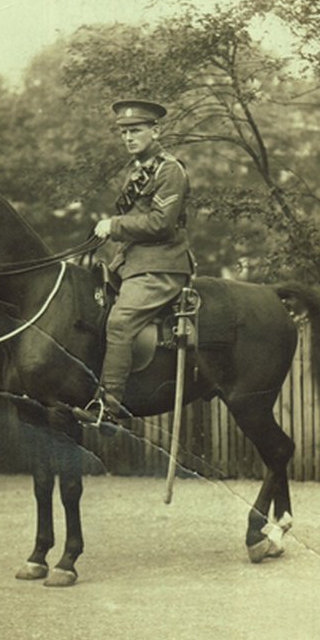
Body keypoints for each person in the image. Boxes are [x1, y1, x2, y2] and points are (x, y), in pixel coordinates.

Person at [76, 99, 194, 427]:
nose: (128, 137)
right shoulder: (138, 170)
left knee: (119, 322)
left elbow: (161, 224)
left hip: (161, 267)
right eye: (124, 132)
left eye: (136, 131)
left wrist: (114, 225)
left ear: (156, 131)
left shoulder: (169, 170)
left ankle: (108, 409)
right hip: (131, 263)